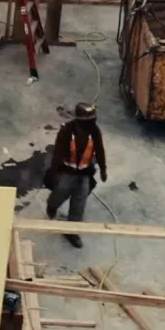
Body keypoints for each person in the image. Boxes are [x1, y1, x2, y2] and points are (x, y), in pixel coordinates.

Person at [45, 102, 107, 248]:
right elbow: (58, 153)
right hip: (67, 171)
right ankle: (51, 206)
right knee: (60, 193)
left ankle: (72, 231)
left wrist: (103, 169)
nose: (91, 124)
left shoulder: (95, 131)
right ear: (79, 120)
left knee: (80, 202)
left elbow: (99, 149)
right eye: (88, 121)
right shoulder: (67, 131)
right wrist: (53, 172)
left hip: (85, 173)